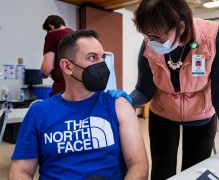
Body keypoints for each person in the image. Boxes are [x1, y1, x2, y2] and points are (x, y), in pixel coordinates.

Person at [109, 0, 219, 179]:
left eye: (158, 37)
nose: (151, 42)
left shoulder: (212, 38)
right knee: (161, 171)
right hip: (162, 114)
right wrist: (128, 100)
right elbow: (144, 89)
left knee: (194, 171)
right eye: (147, 36)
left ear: (181, 26)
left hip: (201, 115)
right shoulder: (149, 43)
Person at [9, 30, 148, 180]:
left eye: (102, 57)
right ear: (67, 66)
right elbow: (21, 171)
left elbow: (139, 165)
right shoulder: (39, 112)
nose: (101, 64)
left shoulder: (118, 105)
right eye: (92, 57)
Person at [40, 15, 74, 96]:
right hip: (79, 85)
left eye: (47, 31)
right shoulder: (75, 34)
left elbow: (47, 68)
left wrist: (43, 71)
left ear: (51, 27)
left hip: (63, 86)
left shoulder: (52, 35)